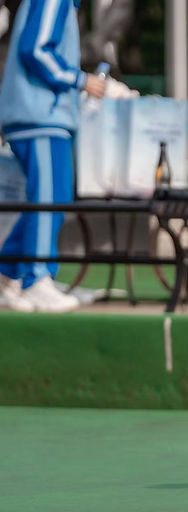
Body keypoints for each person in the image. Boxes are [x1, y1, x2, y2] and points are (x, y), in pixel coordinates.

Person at [0, 0, 106, 312]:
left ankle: (8, 274)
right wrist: (80, 80)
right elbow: (35, 50)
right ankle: (36, 278)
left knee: (46, 199)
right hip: (40, 115)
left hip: (37, 114)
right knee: (50, 199)